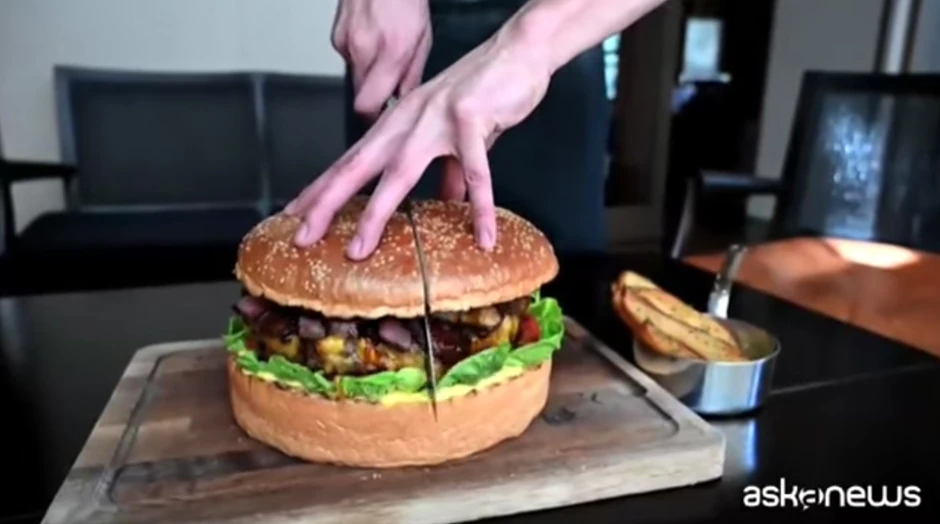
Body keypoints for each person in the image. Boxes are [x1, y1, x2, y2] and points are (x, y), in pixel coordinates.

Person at [286, 0, 667, 259]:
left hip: (567, 30)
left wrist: (531, 42)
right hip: (406, 41)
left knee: (565, 285)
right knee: (368, 263)